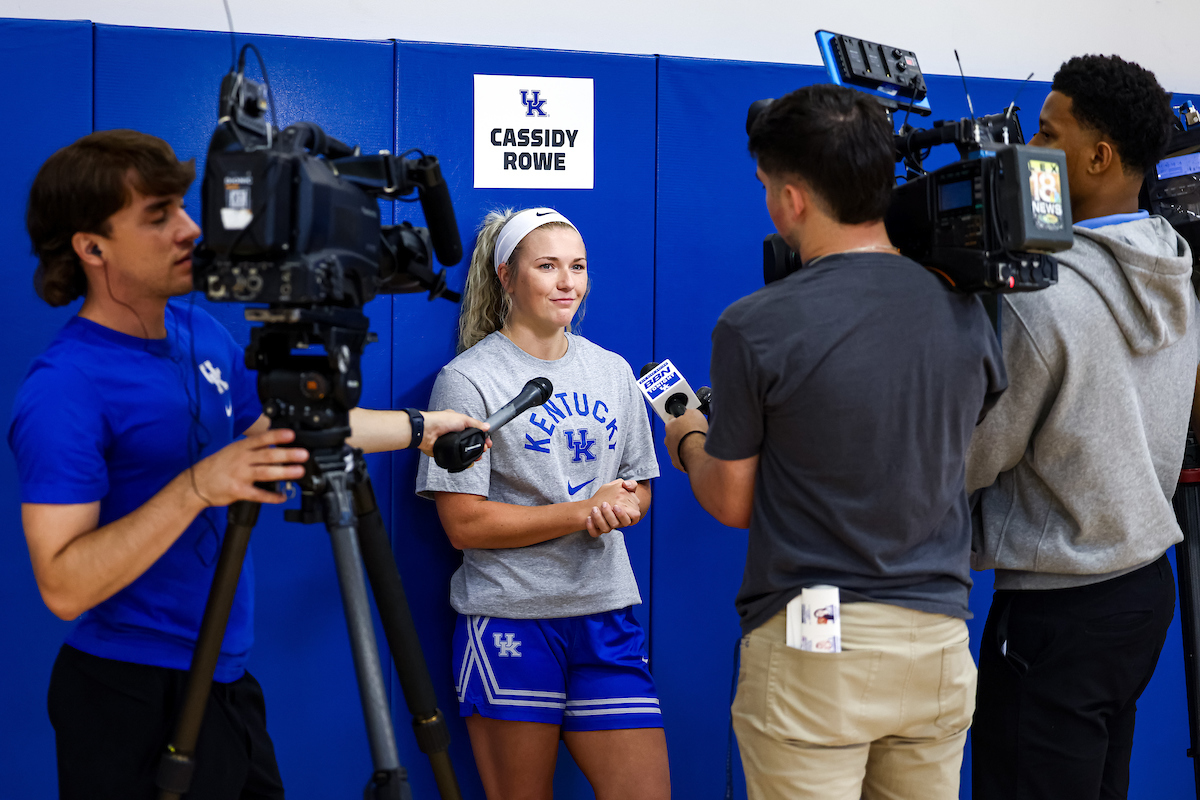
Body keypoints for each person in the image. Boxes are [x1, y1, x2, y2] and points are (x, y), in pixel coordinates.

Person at [8, 129, 486, 800]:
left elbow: (283, 435)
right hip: (127, 691)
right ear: (91, 247)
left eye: (182, 207)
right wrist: (201, 485)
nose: (189, 230)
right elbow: (62, 586)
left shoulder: (199, 331)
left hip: (227, 679)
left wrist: (420, 428)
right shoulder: (64, 387)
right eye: (157, 217)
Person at [662, 84, 1007, 800]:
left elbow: (731, 501)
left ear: (791, 198)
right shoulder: (968, 313)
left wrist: (689, 435)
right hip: (938, 643)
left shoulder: (754, 325)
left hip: (816, 646)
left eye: (765, 186)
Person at [966, 54, 1196, 800]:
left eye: (1046, 131)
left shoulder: (1044, 300)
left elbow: (973, 457)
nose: (1029, 149)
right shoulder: (1178, 271)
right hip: (1139, 590)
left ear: (1097, 158)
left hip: (1055, 608)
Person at [416, 207, 669, 800]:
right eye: (548, 266)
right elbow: (463, 523)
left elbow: (639, 485)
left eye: (577, 267)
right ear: (506, 277)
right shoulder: (469, 381)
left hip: (606, 614)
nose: (567, 283)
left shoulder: (611, 371)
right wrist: (583, 512)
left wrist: (624, 506)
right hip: (511, 620)